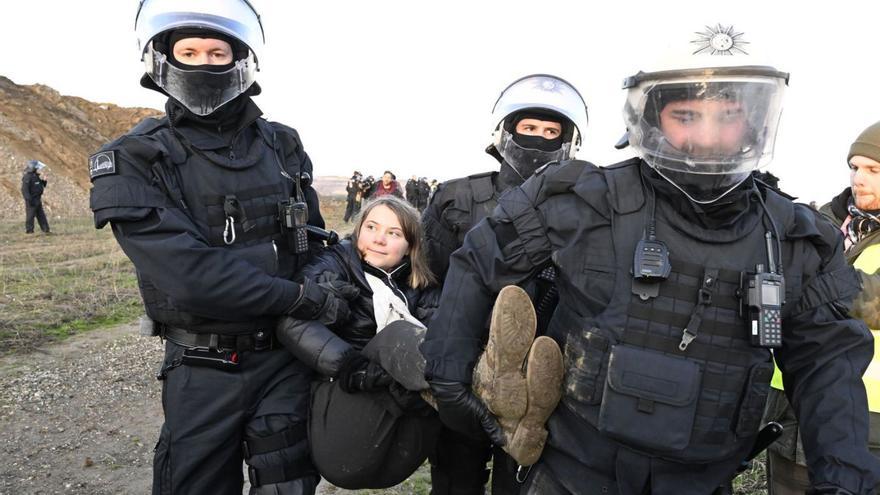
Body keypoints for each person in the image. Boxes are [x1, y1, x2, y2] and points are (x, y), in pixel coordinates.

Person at [422, 24, 880, 494]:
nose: (707, 135)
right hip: (570, 474)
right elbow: (480, 261)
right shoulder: (586, 198)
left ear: (757, 120)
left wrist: (844, 482)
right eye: (686, 115)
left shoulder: (794, 238)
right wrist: (448, 374)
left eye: (728, 115)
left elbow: (828, 369)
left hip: (702, 481)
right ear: (655, 119)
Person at [89, 1, 350, 493]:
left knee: (289, 482)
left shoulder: (282, 144)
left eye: (217, 52)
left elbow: (314, 238)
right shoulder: (135, 158)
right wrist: (299, 298)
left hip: (286, 359)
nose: (205, 64)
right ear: (165, 60)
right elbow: (189, 275)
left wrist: (330, 282)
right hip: (203, 367)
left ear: (241, 60)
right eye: (190, 52)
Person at [419, 73, 588, 494]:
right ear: (506, 132)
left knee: (522, 482)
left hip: (539, 384)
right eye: (529, 129)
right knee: (457, 477)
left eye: (552, 132)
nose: (540, 141)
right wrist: (454, 346)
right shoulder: (456, 197)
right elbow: (425, 279)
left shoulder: (582, 208)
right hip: (463, 367)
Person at [276, 196, 442, 489]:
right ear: (358, 230)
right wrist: (352, 367)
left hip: (401, 448)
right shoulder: (333, 265)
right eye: (371, 227)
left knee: (440, 340)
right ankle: (483, 391)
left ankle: (506, 418)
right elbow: (290, 322)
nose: (379, 239)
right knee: (401, 333)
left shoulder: (423, 286)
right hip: (345, 438)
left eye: (394, 233)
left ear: (410, 247)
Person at [764, 120, 880, 494]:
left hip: (867, 419)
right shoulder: (825, 222)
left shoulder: (814, 234)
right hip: (791, 399)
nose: (858, 178)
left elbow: (875, 303)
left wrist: (804, 276)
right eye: (854, 167)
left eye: (873, 170)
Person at [21, 160, 50, 234]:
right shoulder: (27, 177)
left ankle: (46, 230)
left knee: (41, 216)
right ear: (32, 168)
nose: (37, 169)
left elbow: (39, 185)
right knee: (30, 216)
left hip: (37, 199)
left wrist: (44, 181)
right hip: (31, 200)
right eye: (36, 168)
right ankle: (29, 231)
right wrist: (29, 199)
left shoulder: (35, 176)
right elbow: (24, 190)